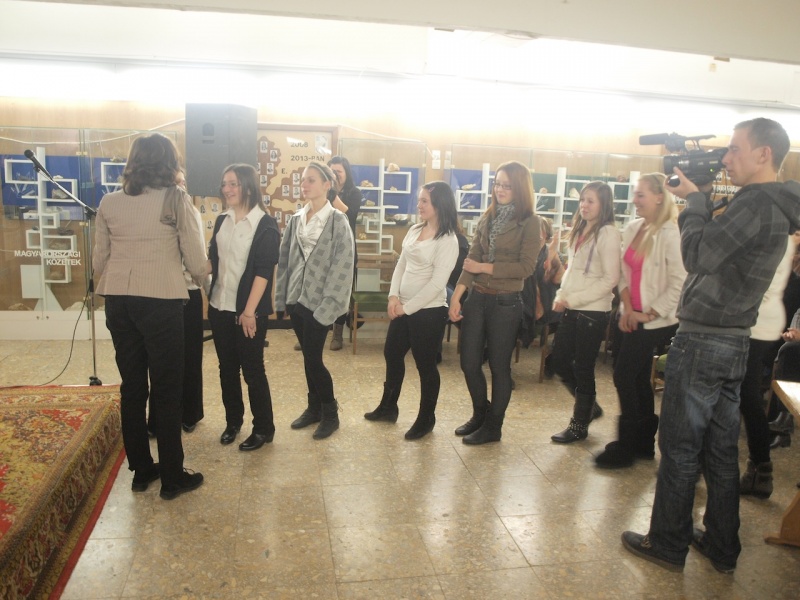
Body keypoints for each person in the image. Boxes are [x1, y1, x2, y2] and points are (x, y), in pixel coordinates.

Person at [623, 118, 800, 574]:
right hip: (733, 339)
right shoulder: (770, 204)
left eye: (736, 149)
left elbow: (698, 256)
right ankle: (722, 543)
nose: (726, 157)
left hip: (705, 338)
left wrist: (696, 201)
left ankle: (667, 542)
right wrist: (703, 200)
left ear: (764, 154)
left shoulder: (756, 203)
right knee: (719, 450)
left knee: (680, 446)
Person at [92, 133, 206, 500]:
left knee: (132, 386)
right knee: (167, 388)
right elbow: (195, 257)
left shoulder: (109, 202)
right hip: (160, 300)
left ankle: (141, 470)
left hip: (119, 301)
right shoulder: (176, 198)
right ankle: (172, 477)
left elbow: (99, 259)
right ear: (169, 162)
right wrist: (207, 281)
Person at [595, 173, 685, 468]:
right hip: (630, 314)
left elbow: (679, 282)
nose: (635, 200)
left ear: (659, 197)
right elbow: (623, 273)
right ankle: (644, 442)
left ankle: (626, 445)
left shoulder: (670, 234)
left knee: (623, 375)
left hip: (654, 320)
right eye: (635, 194)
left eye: (641, 194)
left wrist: (649, 313)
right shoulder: (634, 227)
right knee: (635, 376)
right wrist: (626, 308)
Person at [448, 160, 541, 445]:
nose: (500, 190)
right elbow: (471, 259)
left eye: (507, 186)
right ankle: (481, 414)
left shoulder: (531, 222)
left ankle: (493, 427)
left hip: (506, 303)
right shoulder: (488, 217)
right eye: (497, 184)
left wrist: (484, 268)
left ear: (520, 188)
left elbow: (525, 268)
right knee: (469, 362)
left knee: (500, 368)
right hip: (477, 298)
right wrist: (457, 295)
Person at [364, 181, 459, 439]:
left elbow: (437, 284)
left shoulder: (448, 240)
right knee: (392, 353)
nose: (419, 205)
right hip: (403, 307)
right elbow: (401, 265)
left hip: (428, 312)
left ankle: (426, 419)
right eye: (419, 200)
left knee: (425, 365)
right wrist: (393, 296)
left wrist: (406, 308)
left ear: (439, 204)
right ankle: (388, 407)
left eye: (424, 201)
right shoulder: (415, 229)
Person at [275, 161, 355, 440]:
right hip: (297, 299)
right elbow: (285, 260)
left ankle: (330, 413)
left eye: (311, 180)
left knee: (313, 358)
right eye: (303, 180)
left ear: (326, 185)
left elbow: (343, 267)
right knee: (309, 358)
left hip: (321, 303)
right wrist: (282, 298)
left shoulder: (337, 221)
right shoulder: (297, 219)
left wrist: (328, 307)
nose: (305, 185)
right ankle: (314, 408)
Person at [207, 164, 281, 451]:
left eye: (233, 184)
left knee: (252, 370)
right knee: (227, 369)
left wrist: (249, 312)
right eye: (224, 184)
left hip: (249, 311)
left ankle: (263, 428)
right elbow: (214, 261)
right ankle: (233, 421)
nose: (226, 189)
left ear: (248, 187)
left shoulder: (265, 224)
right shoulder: (222, 220)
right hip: (219, 306)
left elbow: (263, 272)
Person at [550, 181, 621, 443]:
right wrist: (561, 295)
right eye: (582, 200)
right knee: (559, 361)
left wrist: (573, 299)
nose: (584, 205)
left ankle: (579, 424)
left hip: (592, 312)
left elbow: (610, 279)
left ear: (604, 204)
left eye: (591, 201)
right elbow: (572, 270)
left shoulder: (608, 233)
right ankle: (589, 406)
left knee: (583, 367)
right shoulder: (581, 229)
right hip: (572, 307)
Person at [145, 169, 207, 436]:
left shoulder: (191, 212)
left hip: (188, 290)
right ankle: (157, 419)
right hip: (160, 293)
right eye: (175, 183)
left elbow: (198, 256)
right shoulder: (152, 211)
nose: (181, 188)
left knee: (190, 356)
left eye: (183, 182)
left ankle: (189, 413)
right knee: (160, 361)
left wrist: (202, 282)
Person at [738, 234, 794, 496]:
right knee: (745, 395)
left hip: (755, 323)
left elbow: (756, 284)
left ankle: (759, 469)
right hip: (756, 320)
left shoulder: (775, 234)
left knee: (743, 395)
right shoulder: (777, 233)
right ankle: (761, 470)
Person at [327, 156, 362, 351]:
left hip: (345, 250)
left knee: (341, 293)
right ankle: (314, 332)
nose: (335, 175)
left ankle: (337, 335)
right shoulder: (323, 191)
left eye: (338, 172)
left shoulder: (354, 193)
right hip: (324, 249)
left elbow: (349, 215)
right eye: (331, 172)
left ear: (346, 173)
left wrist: (332, 196)